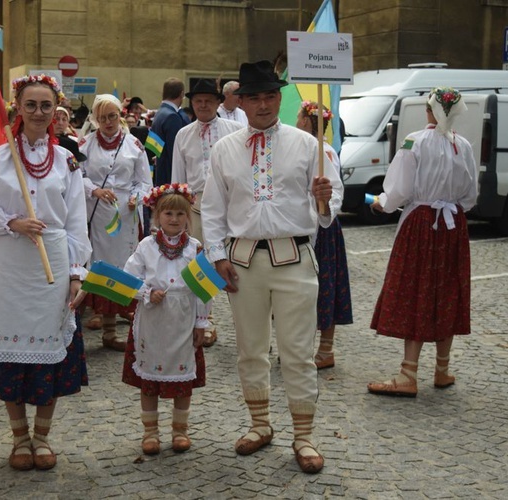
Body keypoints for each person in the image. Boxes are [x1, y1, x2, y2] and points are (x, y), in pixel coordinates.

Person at [201, 60, 342, 474]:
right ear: (240, 101)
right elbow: (212, 210)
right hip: (243, 261)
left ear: (279, 99)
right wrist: (217, 256)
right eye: (255, 97)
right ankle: (260, 424)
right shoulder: (224, 149)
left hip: (295, 257)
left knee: (298, 352)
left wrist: (322, 196)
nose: (263, 104)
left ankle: (304, 435)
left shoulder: (307, 145)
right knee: (251, 349)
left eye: (270, 96)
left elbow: (328, 212)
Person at [0, 74, 92, 471]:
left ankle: (42, 438)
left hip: (52, 264)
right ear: (18, 109)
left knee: (48, 353)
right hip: (10, 266)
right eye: (31, 105)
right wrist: (11, 222)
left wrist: (77, 273)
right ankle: (19, 438)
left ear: (57, 111)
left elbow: (76, 222)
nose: (39, 113)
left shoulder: (66, 161)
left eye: (46, 106)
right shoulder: (1, 157)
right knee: (11, 350)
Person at [367, 87, 477, 398]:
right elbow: (470, 195)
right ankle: (442, 369)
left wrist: (383, 203)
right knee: (447, 291)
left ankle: (407, 373)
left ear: (430, 111)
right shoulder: (464, 146)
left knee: (415, 289)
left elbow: (399, 190)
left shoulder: (414, 141)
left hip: (421, 224)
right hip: (453, 226)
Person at [121, 184, 209, 455]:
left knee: (183, 378)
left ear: (188, 218)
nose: (173, 219)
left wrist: (201, 323)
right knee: (150, 377)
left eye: (179, 214)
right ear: (157, 216)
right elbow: (128, 277)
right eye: (168, 213)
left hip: (183, 318)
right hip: (153, 320)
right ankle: (150, 432)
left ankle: (180, 430)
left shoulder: (195, 248)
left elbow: (204, 290)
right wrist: (146, 292)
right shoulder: (146, 246)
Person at [172, 78, 243, 347]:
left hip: (230, 202)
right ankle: (206, 319)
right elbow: (177, 177)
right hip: (196, 204)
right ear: (192, 103)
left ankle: (243, 320)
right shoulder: (183, 134)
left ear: (218, 102)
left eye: (208, 101)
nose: (203, 105)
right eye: (198, 101)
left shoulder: (235, 129)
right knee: (201, 263)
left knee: (236, 262)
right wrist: (179, 210)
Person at [78, 94, 152, 350]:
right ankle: (106, 325)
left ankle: (122, 328)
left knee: (125, 265)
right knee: (101, 264)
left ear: (119, 116)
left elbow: (144, 181)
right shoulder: (85, 144)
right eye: (102, 118)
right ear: (95, 119)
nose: (108, 122)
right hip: (97, 213)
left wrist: (136, 197)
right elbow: (77, 175)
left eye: (112, 116)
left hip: (126, 214)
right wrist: (94, 190)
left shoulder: (133, 145)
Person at [296, 101, 353, 369]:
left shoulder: (324, 151)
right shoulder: (301, 147)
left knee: (325, 286)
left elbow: (335, 191)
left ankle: (325, 349)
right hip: (303, 225)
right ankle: (302, 346)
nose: (297, 122)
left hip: (322, 227)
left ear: (307, 121)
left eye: (299, 117)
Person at [150, 77, 190, 186]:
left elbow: (152, 147)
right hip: (170, 176)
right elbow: (175, 152)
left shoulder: (159, 113)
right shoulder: (172, 117)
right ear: (182, 94)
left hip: (160, 171)